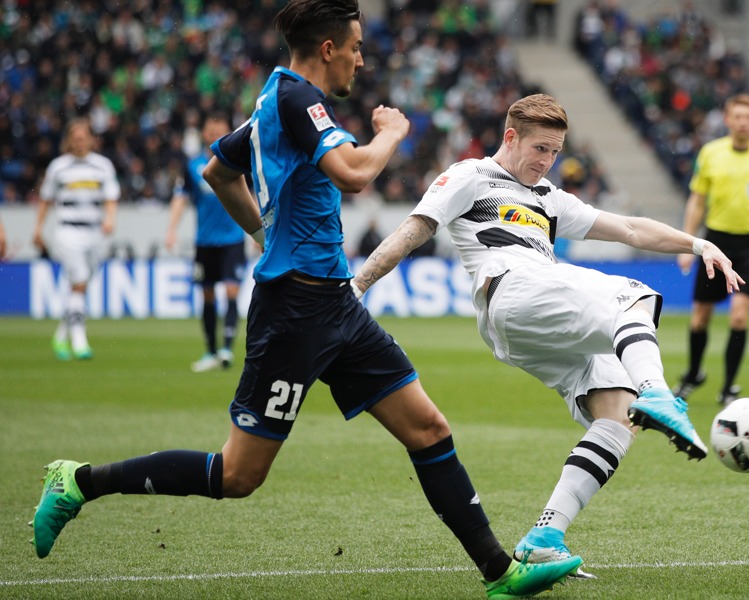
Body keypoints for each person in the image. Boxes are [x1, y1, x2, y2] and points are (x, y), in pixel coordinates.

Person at [29, 4, 582, 598]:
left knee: (427, 427)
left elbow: (219, 172)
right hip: (293, 311)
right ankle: (79, 481)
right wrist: (392, 132)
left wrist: (268, 236)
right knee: (239, 475)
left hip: (337, 303)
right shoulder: (298, 100)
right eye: (356, 47)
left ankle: (500, 573)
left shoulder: (271, 102)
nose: (361, 59)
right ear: (327, 48)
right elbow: (352, 172)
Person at [352, 93, 743, 574]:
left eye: (555, 151)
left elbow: (630, 230)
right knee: (632, 296)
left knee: (617, 415)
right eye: (540, 148)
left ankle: (546, 535)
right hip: (511, 289)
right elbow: (413, 231)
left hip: (534, 314)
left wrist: (698, 242)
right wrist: (357, 285)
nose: (547, 161)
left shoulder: (548, 198)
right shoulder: (470, 176)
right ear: (510, 137)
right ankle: (659, 393)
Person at [674, 93, 749, 406]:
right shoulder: (710, 154)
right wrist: (687, 244)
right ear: (727, 120)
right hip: (715, 242)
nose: (742, 122)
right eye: (736, 117)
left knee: (739, 317)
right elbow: (697, 201)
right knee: (700, 317)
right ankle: (695, 373)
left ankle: (727, 387)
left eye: (747, 117)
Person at [166, 112, 247, 372]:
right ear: (204, 134)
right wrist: (171, 229)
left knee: (232, 291)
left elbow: (252, 194)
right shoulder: (193, 166)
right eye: (211, 130)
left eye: (220, 129)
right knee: (208, 294)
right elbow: (180, 198)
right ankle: (211, 351)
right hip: (205, 242)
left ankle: (226, 348)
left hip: (233, 239)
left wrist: (260, 231)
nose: (215, 134)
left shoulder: (237, 161)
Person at [33, 118, 120, 360]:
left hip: (95, 233)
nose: (79, 142)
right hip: (68, 231)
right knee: (79, 282)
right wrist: (38, 229)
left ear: (92, 140)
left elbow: (111, 197)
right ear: (69, 140)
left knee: (78, 289)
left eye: (83, 138)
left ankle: (61, 336)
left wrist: (110, 218)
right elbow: (46, 201)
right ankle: (80, 341)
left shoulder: (102, 166)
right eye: (75, 138)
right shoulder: (58, 167)